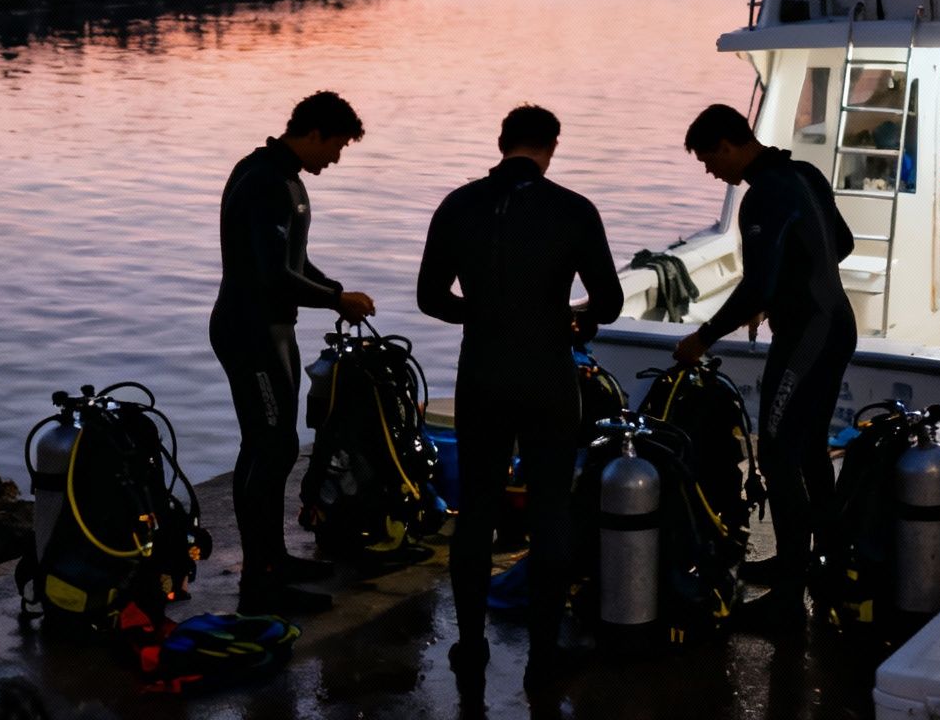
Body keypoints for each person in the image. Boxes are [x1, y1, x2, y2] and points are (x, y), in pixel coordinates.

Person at [417, 105, 623, 693]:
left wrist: (480, 314)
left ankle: (470, 644)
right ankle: (541, 656)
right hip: (548, 374)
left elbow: (430, 296)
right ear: (551, 147)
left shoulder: (458, 204)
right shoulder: (574, 209)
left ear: (501, 142)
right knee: (550, 509)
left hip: (481, 370)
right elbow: (605, 302)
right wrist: (567, 320)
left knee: (477, 511)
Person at [673, 103, 855, 637]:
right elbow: (838, 244)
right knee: (810, 448)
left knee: (777, 452)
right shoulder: (803, 174)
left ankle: (787, 598)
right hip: (832, 325)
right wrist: (786, 289)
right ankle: (824, 564)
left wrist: (702, 338)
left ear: (729, 145)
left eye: (711, 161)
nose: (713, 173)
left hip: (807, 337)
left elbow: (755, 284)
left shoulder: (763, 195)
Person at [211, 90, 376, 615]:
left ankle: (273, 560)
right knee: (268, 446)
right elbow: (269, 273)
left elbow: (294, 264)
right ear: (313, 134)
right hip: (250, 329)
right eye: (336, 147)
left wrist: (336, 292)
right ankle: (260, 579)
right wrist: (334, 299)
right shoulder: (265, 182)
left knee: (276, 444)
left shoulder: (285, 180)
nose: (336, 158)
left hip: (273, 328)